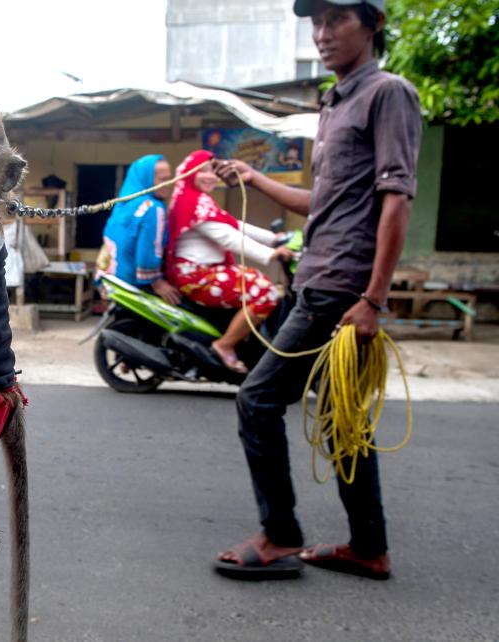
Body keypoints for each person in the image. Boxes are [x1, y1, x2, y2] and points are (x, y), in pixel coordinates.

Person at [211, 0, 422, 581]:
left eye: (337, 20)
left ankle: (279, 534)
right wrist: (254, 177)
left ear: (372, 24)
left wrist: (373, 299)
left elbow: (397, 198)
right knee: (341, 418)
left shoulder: (388, 93)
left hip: (341, 288)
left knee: (256, 400)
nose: (323, 34)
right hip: (319, 278)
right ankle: (368, 547)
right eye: (316, 23)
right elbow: (322, 203)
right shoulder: (336, 102)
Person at [166, 149, 294, 373]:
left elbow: (233, 224)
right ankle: (224, 345)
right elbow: (227, 236)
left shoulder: (198, 200)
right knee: (265, 293)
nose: (211, 176)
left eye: (213, 172)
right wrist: (270, 254)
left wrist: (274, 239)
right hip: (196, 276)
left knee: (260, 282)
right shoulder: (192, 203)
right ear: (188, 174)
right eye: (203, 171)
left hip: (206, 271)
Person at [97, 155, 181, 304]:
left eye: (170, 178)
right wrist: (157, 282)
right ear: (146, 179)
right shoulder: (153, 208)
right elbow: (148, 248)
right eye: (162, 179)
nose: (169, 184)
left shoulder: (123, 204)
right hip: (134, 284)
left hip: (111, 280)